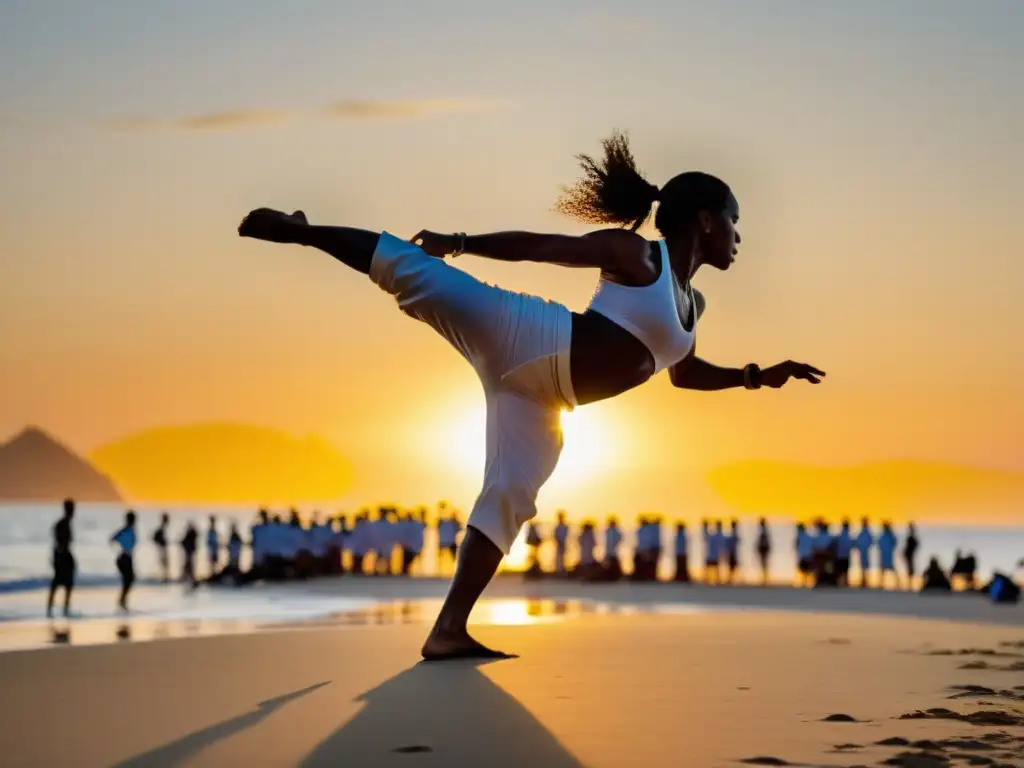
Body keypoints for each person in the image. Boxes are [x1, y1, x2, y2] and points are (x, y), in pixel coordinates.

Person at [238, 130, 824, 660]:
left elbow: (685, 373)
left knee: (508, 499)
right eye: (734, 220)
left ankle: (447, 631)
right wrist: (460, 241)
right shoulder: (639, 255)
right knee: (415, 270)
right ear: (704, 220)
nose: (739, 235)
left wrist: (753, 375)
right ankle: (301, 230)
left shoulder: (694, 308)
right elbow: (541, 247)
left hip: (544, 403)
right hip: (527, 332)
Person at [47, 498, 76, 619]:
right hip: (62, 556)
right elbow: (59, 541)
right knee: (59, 582)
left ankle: (61, 608)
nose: (73, 512)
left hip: (62, 555)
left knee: (64, 583)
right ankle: (53, 609)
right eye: (71, 509)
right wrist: (60, 555)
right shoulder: (63, 524)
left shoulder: (64, 523)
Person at [111, 510, 138, 611]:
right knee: (128, 580)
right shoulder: (126, 529)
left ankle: (123, 601)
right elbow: (113, 538)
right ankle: (122, 602)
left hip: (127, 557)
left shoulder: (130, 529)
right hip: (124, 557)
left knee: (129, 580)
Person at [153, 512, 170, 583]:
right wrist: (162, 543)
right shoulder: (162, 528)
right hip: (162, 549)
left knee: (164, 563)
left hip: (162, 548)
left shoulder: (163, 528)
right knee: (164, 563)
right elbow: (156, 538)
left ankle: (165, 577)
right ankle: (164, 578)